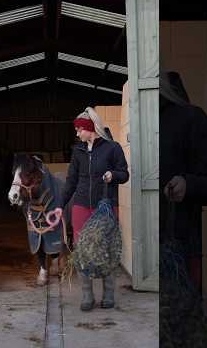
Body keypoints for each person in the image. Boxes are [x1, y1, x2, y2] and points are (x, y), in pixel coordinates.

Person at [159, 71, 207, 292]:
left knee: (180, 315)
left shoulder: (191, 118)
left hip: (179, 249)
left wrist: (188, 184)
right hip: (146, 248)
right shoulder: (142, 124)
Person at [56, 107, 129, 311]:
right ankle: (87, 294)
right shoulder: (78, 151)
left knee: (105, 249)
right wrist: (60, 206)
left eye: (80, 130)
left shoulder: (112, 148)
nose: (77, 133)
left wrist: (112, 175)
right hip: (80, 206)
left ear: (91, 129)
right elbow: (70, 181)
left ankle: (108, 293)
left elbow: (124, 174)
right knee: (82, 251)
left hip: (104, 207)